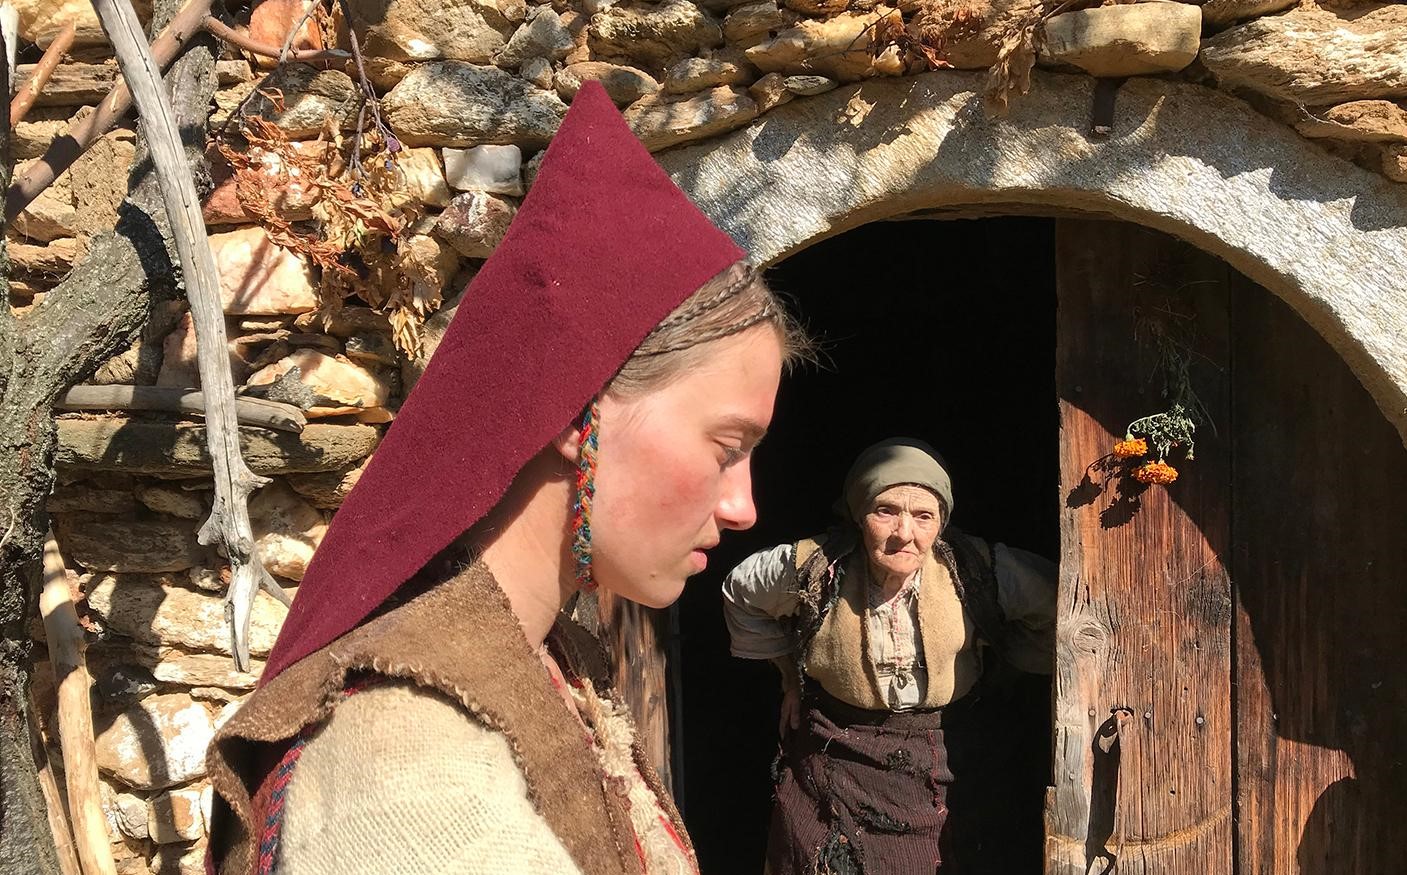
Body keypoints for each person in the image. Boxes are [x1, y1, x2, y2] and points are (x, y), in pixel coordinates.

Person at [206, 82, 805, 875]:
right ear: (579, 410)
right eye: (727, 446)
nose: (742, 506)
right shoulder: (409, 767)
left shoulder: (556, 666)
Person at [722, 438, 1056, 874]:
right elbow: (741, 592)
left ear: (942, 522)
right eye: (886, 511)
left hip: (945, 756)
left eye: (924, 516)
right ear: (859, 514)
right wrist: (789, 676)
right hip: (835, 754)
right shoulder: (816, 566)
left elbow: (1063, 608)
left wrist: (1008, 662)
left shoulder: (977, 569)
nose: (904, 533)